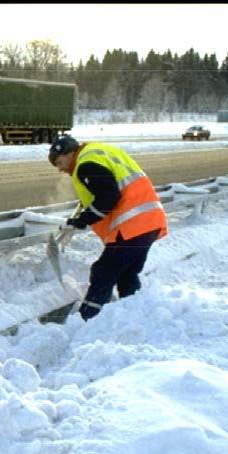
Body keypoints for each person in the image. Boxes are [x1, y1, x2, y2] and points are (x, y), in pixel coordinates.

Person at [48, 135, 168, 320]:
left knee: (103, 272)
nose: (60, 169)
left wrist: (84, 219)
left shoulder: (85, 164)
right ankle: (134, 316)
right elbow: (108, 187)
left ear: (69, 153)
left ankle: (87, 320)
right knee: (126, 274)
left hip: (131, 226)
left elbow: (109, 196)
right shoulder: (99, 151)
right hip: (148, 220)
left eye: (59, 161)